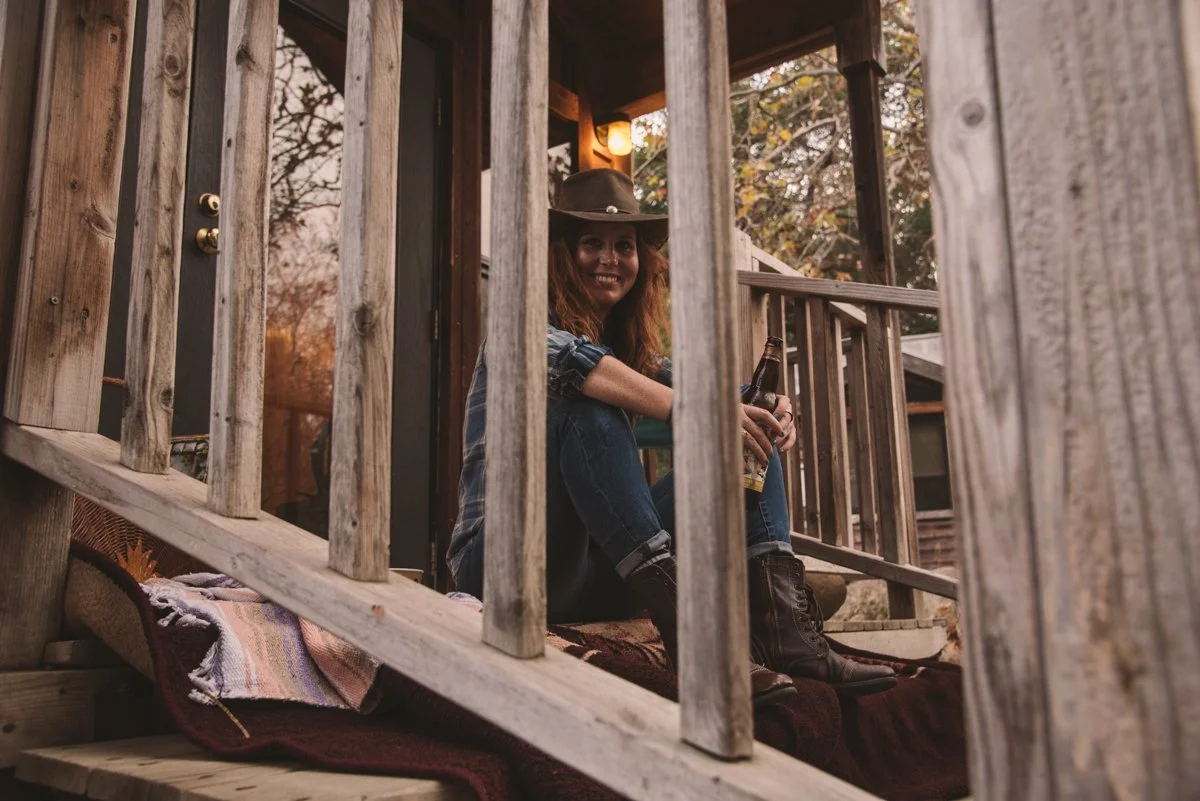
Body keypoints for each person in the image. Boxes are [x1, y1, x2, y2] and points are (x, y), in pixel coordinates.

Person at [448, 168, 894, 698]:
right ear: (562, 253)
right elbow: (577, 364)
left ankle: (788, 636)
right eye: (592, 243)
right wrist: (702, 413)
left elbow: (708, 394)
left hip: (597, 577)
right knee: (592, 410)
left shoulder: (627, 350)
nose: (610, 258)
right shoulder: (517, 322)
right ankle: (694, 636)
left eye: (624, 246)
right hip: (500, 567)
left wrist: (762, 408)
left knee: (745, 433)